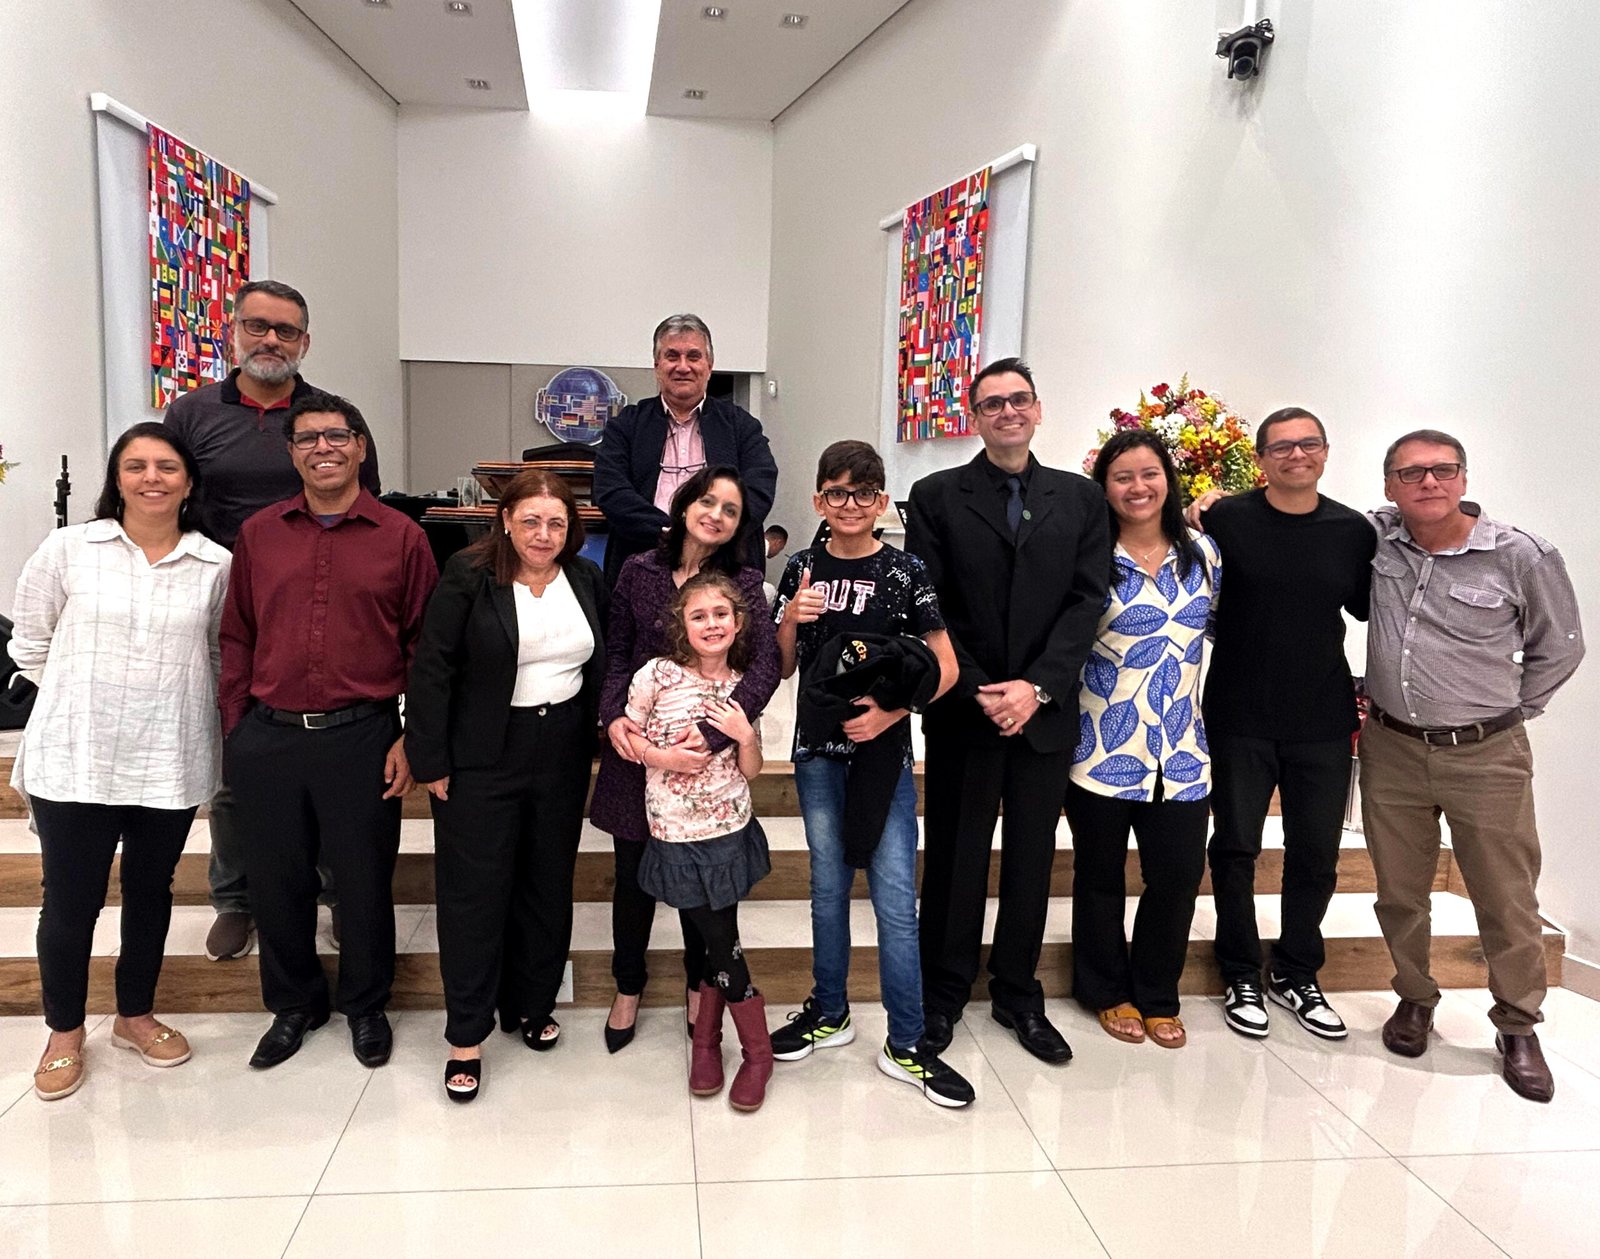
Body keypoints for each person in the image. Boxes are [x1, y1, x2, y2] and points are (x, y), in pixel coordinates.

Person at [1361, 430, 1582, 1103]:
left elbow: (1560, 647)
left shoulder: (1522, 555)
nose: (1429, 482)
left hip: (1487, 755)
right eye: (1411, 473)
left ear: (1463, 477)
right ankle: (1414, 997)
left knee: (1506, 896)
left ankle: (1517, 1024)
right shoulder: (1377, 540)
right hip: (1392, 748)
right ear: (1390, 486)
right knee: (1399, 890)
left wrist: (1506, 711)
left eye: (1443, 469)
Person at [10, 423, 230, 1100]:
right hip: (77, 754)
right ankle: (64, 1030)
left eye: (167, 466)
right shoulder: (70, 549)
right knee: (69, 898)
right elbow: (30, 641)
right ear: (117, 478)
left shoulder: (215, 564)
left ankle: (135, 1014)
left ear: (189, 482)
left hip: (168, 752)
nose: (151, 478)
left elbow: (217, 656)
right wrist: (83, 697)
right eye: (136, 466)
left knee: (150, 890)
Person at [164, 279, 380, 965]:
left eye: (285, 331)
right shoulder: (191, 414)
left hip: (314, 606)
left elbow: (365, 508)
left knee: (327, 766)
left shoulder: (329, 416)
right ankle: (236, 897)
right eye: (257, 326)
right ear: (233, 331)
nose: (270, 340)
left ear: (304, 342)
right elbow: (169, 500)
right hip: (220, 606)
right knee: (238, 757)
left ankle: (333, 892)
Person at [220, 392, 437, 1071]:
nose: (324, 448)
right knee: (276, 882)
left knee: (364, 882)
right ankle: (294, 1005)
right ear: (292, 453)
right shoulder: (260, 534)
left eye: (337, 435)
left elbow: (426, 649)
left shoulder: (402, 537)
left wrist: (411, 736)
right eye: (309, 437)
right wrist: (237, 730)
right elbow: (237, 635)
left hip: (361, 736)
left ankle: (366, 1006)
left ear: (360, 447)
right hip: (270, 736)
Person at [905, 357, 1111, 1062]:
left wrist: (1037, 687)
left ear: (1037, 409)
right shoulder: (935, 495)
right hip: (965, 709)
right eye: (992, 403)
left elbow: (1087, 600)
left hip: (1044, 714)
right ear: (974, 416)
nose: (1007, 412)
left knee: (1031, 856)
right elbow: (928, 604)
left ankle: (1018, 992)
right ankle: (942, 992)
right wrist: (981, 688)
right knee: (955, 856)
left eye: (1018, 400)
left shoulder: (1081, 498)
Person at [770, 440, 973, 1107]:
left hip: (884, 754)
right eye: (837, 492)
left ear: (882, 501)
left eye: (863, 493)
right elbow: (784, 667)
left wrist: (892, 713)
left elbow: (945, 667)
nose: (850, 504)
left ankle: (907, 1040)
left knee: (893, 896)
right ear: (818, 500)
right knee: (827, 889)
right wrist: (789, 621)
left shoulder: (905, 570)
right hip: (817, 749)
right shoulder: (801, 568)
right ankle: (829, 1012)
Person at [406, 470, 609, 1102]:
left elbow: (600, 665)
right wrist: (429, 759)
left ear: (571, 529)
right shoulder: (468, 575)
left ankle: (532, 1003)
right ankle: (466, 1035)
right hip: (481, 755)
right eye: (531, 521)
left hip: (561, 752)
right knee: (475, 895)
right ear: (505, 521)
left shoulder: (585, 578)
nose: (543, 535)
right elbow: (432, 667)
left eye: (556, 523)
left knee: (546, 884)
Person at [1189, 408, 1374, 1041]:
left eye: (1308, 444)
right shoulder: (1226, 519)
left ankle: (1297, 971)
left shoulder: (1353, 531)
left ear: (1325, 451)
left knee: (1316, 854)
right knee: (1235, 848)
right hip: (1239, 712)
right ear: (1260, 458)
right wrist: (1195, 505)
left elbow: (1370, 607)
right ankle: (1240, 970)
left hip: (1321, 715)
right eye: (1282, 446)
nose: (1297, 455)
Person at [589, 466, 780, 1052]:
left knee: (704, 883)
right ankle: (629, 986)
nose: (716, 515)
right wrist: (613, 717)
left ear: (739, 526)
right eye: (708, 501)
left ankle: (702, 987)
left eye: (731, 510)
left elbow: (765, 666)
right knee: (632, 878)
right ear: (684, 503)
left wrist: (714, 736)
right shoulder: (638, 569)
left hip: (706, 764)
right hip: (639, 752)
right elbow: (616, 651)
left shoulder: (744, 582)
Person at [1067, 430, 1222, 1049]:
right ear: (1104, 488)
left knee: (1178, 878)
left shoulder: (1203, 554)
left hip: (1183, 750)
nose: (1138, 487)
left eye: (1149, 474)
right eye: (1123, 476)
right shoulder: (1090, 555)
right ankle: (1106, 991)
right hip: (1101, 747)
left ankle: (1158, 993)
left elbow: (1220, 628)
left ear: (1168, 480)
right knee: (1099, 878)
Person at [624, 572, 774, 1110]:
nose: (712, 624)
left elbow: (751, 769)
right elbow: (626, 738)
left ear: (738, 622)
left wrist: (745, 734)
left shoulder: (744, 687)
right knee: (716, 938)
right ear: (681, 625)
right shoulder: (656, 675)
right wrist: (663, 756)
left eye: (721, 614)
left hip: (727, 831)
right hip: (673, 830)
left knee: (718, 938)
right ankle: (746, 1049)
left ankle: (721, 1047)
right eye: (699, 616)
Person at [593, 313, 778, 582]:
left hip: (725, 568)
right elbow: (610, 491)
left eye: (693, 356)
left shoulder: (741, 426)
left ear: (709, 366)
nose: (683, 366)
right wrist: (675, 533)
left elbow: (760, 489)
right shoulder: (625, 425)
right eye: (672, 356)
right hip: (644, 564)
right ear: (657, 366)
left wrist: (710, 531)